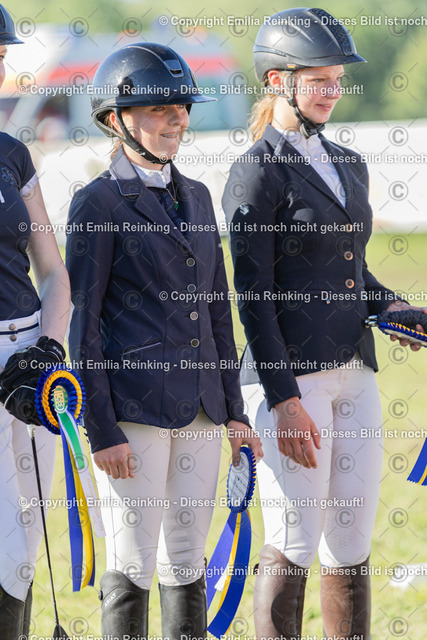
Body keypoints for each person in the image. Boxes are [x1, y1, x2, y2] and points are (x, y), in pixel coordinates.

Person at [222, 8, 426, 640]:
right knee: (294, 538)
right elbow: (253, 297)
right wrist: (283, 401)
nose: (333, 91)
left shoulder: (349, 163)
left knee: (351, 539)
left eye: (337, 79)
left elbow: (353, 272)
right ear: (277, 81)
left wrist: (392, 307)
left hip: (354, 370)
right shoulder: (255, 172)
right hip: (291, 381)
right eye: (319, 80)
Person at [66, 42, 262, 640]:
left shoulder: (198, 195)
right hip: (134, 413)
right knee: (132, 559)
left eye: (182, 107)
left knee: (186, 555)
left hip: (202, 405)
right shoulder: (97, 202)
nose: (177, 119)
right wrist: (101, 428)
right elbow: (83, 326)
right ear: (116, 118)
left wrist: (233, 411)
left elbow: (217, 311)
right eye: (159, 109)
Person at [0, 5, 70, 639]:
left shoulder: (13, 155)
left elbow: (52, 272)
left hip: (25, 361)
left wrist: (48, 346)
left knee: (24, 542)